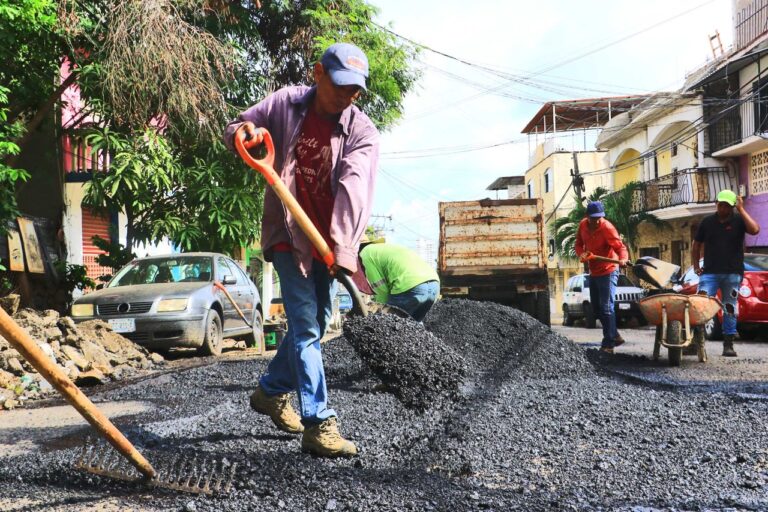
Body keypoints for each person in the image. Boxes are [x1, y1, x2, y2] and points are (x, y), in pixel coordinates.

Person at [223, 42, 379, 457]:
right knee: (308, 329)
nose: (348, 96)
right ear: (318, 73)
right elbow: (236, 127)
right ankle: (319, 422)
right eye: (341, 86)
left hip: (329, 242)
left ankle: (271, 391)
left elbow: (354, 189)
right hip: (288, 236)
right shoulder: (285, 105)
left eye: (356, 90)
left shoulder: (361, 131)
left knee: (316, 324)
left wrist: (343, 251)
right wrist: (244, 132)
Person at [691, 189, 760, 358]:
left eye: (726, 206)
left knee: (730, 308)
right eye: (720, 204)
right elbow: (696, 245)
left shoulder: (739, 220)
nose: (722, 208)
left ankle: (728, 344)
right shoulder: (707, 222)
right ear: (716, 204)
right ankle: (695, 342)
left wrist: (742, 209)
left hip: (732, 273)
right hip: (710, 273)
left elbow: (756, 230)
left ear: (732, 207)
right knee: (701, 306)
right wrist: (695, 266)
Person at [574, 201, 630, 354]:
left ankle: (609, 344)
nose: (597, 220)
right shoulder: (583, 226)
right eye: (594, 218)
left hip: (609, 270)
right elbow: (578, 244)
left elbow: (620, 248)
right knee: (597, 309)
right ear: (588, 217)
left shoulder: (607, 228)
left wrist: (623, 259)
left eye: (600, 217)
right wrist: (582, 254)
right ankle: (615, 335)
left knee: (606, 307)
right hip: (594, 271)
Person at [357, 236, 440, 322]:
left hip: (409, 286)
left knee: (389, 324)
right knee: (414, 327)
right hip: (433, 284)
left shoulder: (364, 254)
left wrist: (380, 310)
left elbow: (380, 286)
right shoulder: (382, 249)